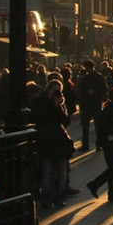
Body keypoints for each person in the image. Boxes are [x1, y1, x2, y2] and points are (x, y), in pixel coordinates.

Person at [31, 79, 74, 208]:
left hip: (58, 140)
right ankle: (47, 198)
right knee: (47, 172)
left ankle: (59, 197)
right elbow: (40, 118)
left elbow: (64, 121)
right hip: (45, 140)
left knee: (61, 172)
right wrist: (52, 104)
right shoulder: (38, 100)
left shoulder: (56, 104)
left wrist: (58, 105)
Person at [86, 86, 113, 201]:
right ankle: (100, 187)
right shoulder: (109, 111)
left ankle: (109, 191)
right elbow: (103, 128)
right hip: (108, 141)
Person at [77, 59, 108, 151]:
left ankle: (96, 144)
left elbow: (104, 90)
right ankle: (90, 145)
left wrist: (94, 92)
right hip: (92, 104)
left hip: (94, 104)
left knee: (95, 126)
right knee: (89, 126)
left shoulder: (96, 78)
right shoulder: (88, 78)